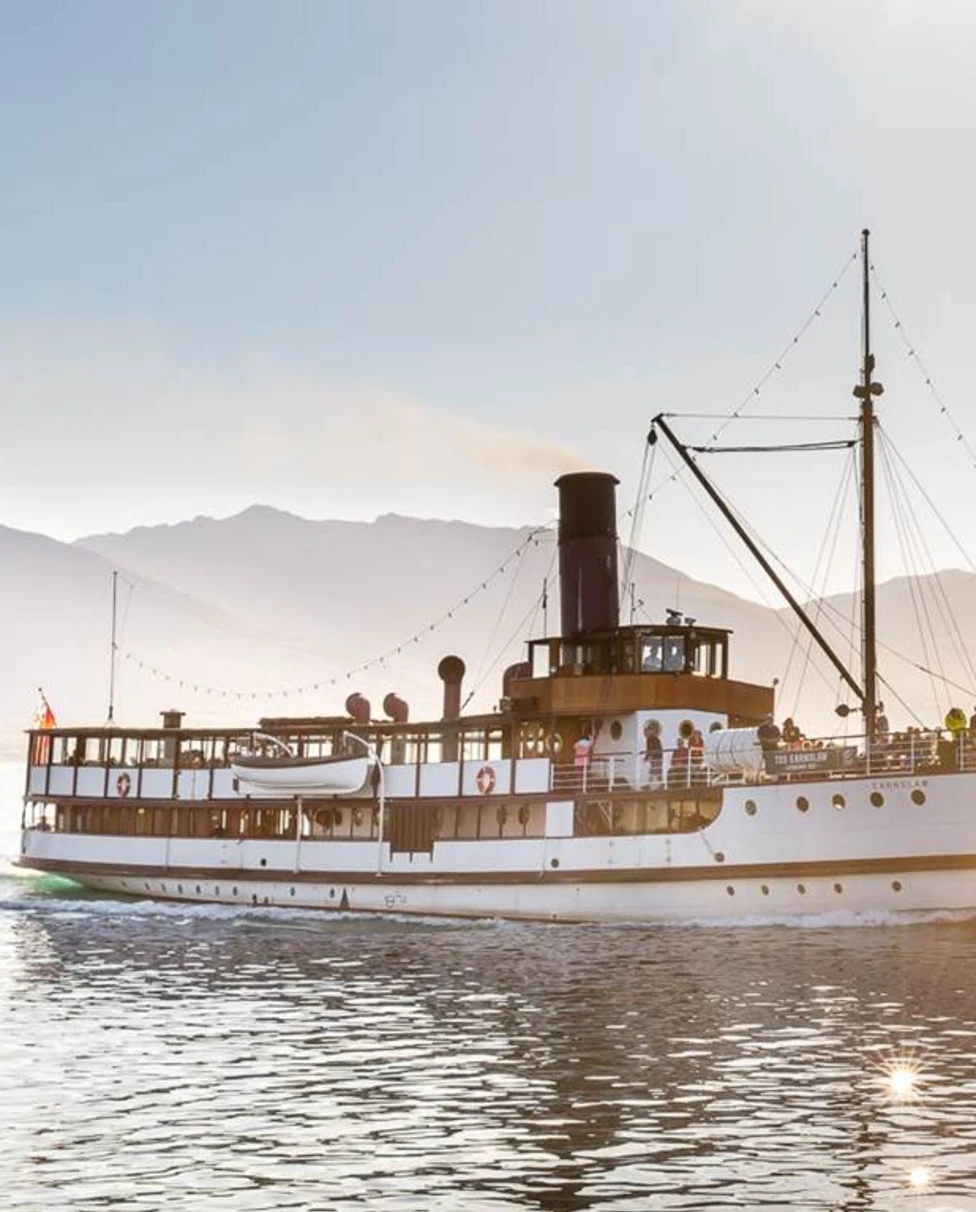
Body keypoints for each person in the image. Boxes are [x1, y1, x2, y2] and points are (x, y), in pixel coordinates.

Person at [644, 722, 663, 789]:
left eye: (649, 730)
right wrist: (647, 757)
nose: (648, 732)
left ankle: (660, 784)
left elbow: (654, 748)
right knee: (653, 771)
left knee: (656, 770)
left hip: (657, 757)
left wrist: (650, 755)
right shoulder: (649, 739)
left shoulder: (654, 739)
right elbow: (649, 749)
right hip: (655, 757)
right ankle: (650, 785)